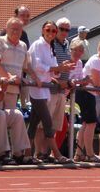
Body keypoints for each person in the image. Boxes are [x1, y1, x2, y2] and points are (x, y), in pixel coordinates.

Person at [27, 21, 74, 163]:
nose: (51, 33)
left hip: (45, 89)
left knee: (34, 122)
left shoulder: (50, 47)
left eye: (54, 31)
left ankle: (28, 154)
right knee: (47, 122)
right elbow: (37, 65)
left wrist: (61, 69)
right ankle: (57, 154)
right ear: (43, 30)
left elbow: (53, 70)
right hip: (37, 89)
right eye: (49, 30)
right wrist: (58, 68)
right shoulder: (38, 44)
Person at [0, 18, 34, 164]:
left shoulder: (23, 45)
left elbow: (24, 67)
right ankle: (0, 152)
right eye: (12, 28)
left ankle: (18, 152)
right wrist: (8, 77)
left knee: (15, 117)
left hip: (14, 89)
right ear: (6, 28)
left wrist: (25, 79)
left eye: (18, 29)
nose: (15, 32)